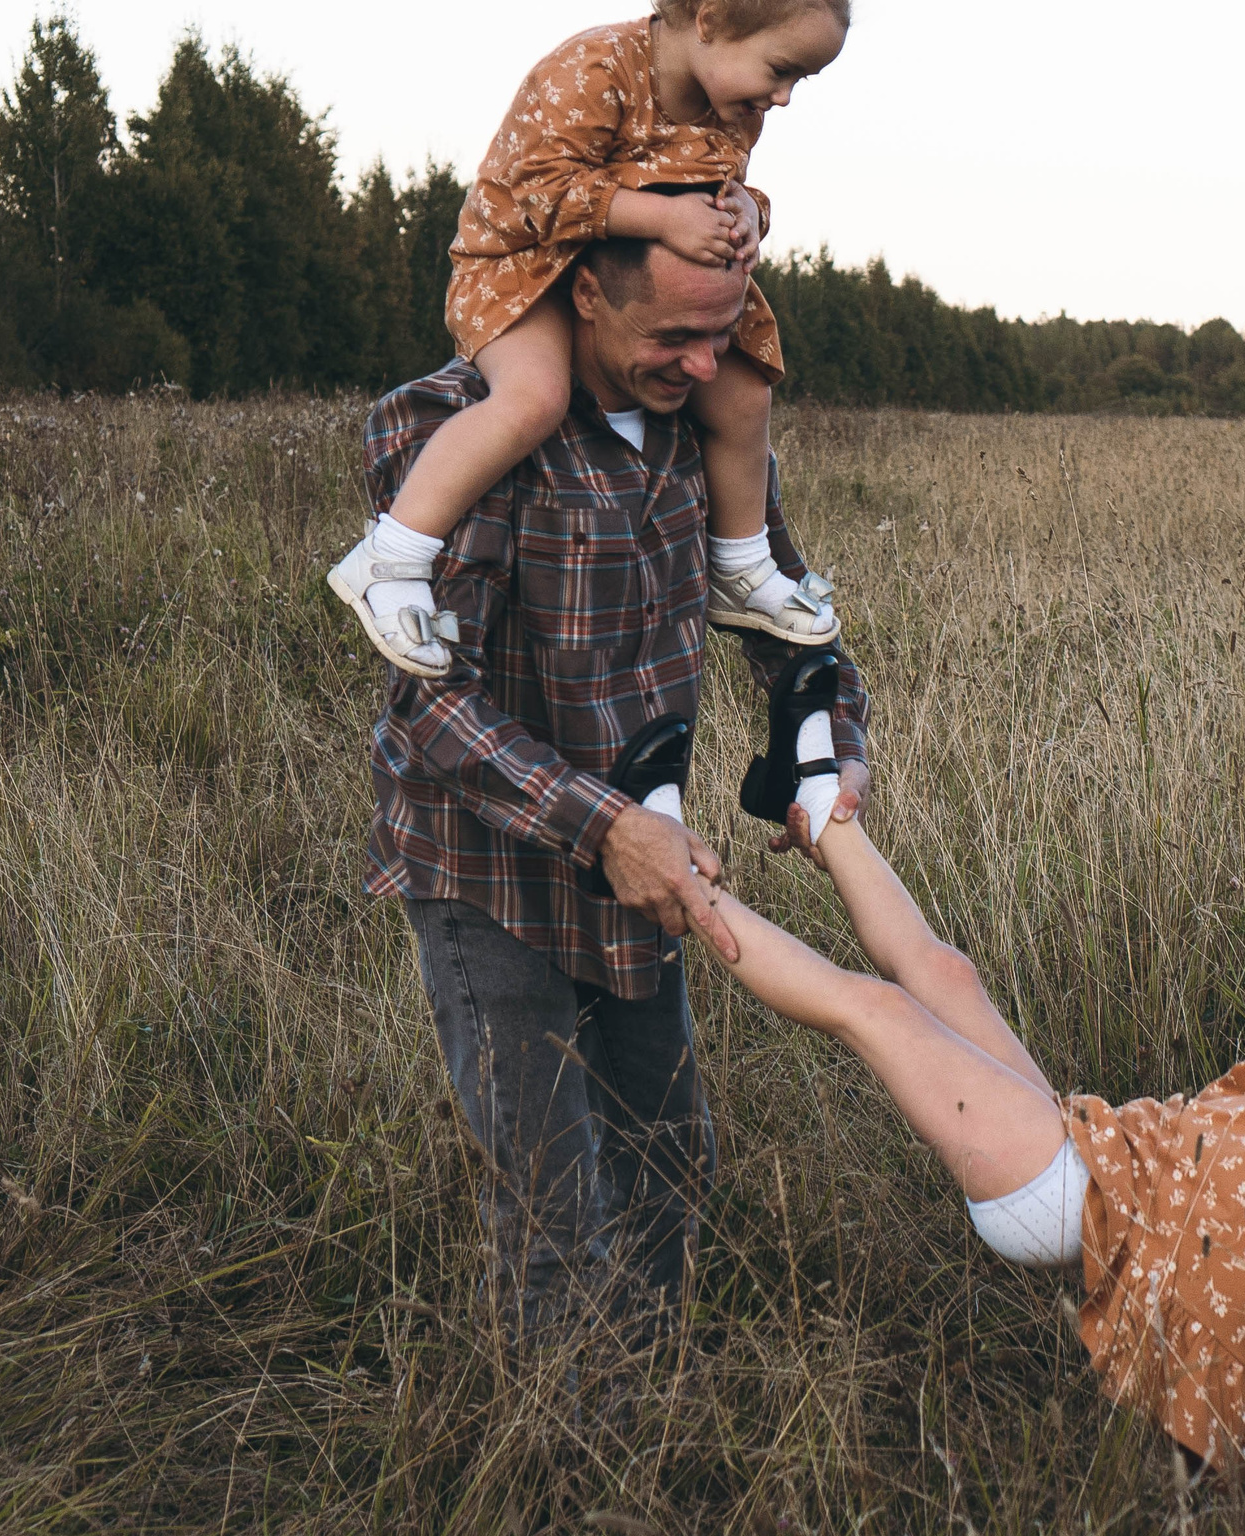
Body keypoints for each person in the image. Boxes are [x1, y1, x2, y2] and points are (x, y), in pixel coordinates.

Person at [679, 724, 1245, 1474]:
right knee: (942, 974)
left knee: (869, 1008)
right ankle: (818, 806)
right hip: (1096, 1163)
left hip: (1068, 1188)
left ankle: (682, 888)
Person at [361, 229, 868, 1343]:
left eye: (720, 335)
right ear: (585, 293)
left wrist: (828, 741)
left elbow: (780, 613)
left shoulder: (715, 433)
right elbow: (426, 700)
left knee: (671, 1170)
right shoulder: (451, 427)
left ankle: (656, 1441)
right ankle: (562, 1488)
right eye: (672, 335)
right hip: (487, 870)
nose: (701, 366)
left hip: (645, 864)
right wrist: (606, 830)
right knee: (554, 1214)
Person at [329, 0, 851, 680]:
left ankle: (741, 565)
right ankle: (390, 556)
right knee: (534, 398)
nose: (782, 97)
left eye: (799, 81)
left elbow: (728, 187)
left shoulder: (735, 104)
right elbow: (534, 194)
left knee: (745, 394)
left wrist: (751, 211)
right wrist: (663, 217)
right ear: (714, 19)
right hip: (523, 261)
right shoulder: (595, 69)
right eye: (780, 70)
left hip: (632, 276)